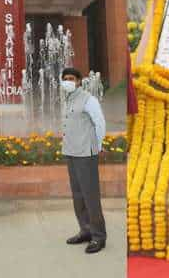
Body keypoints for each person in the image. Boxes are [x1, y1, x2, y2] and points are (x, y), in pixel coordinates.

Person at [61, 67, 107, 254]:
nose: (68, 81)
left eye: (71, 78)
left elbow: (100, 122)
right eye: (65, 79)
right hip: (71, 152)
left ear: (79, 81)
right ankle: (85, 230)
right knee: (78, 196)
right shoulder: (67, 99)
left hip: (86, 154)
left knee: (90, 196)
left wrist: (98, 145)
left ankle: (99, 236)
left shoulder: (89, 99)